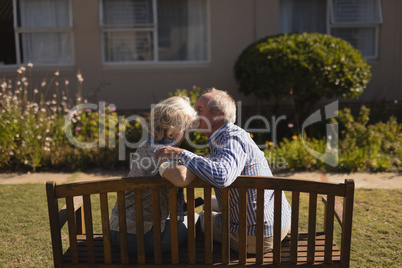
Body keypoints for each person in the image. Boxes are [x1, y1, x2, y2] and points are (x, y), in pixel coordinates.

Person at [156, 88, 292, 254]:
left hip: (256, 237)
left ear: (218, 116)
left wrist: (181, 153)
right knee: (208, 201)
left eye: (198, 110)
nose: (193, 114)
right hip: (278, 223)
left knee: (203, 217)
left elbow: (222, 176)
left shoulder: (230, 139)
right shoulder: (232, 136)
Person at [109, 96, 198, 256]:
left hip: (118, 231)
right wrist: (197, 163)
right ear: (176, 128)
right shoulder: (164, 151)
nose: (186, 136)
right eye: (186, 129)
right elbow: (181, 179)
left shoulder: (146, 145)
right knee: (199, 219)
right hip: (143, 239)